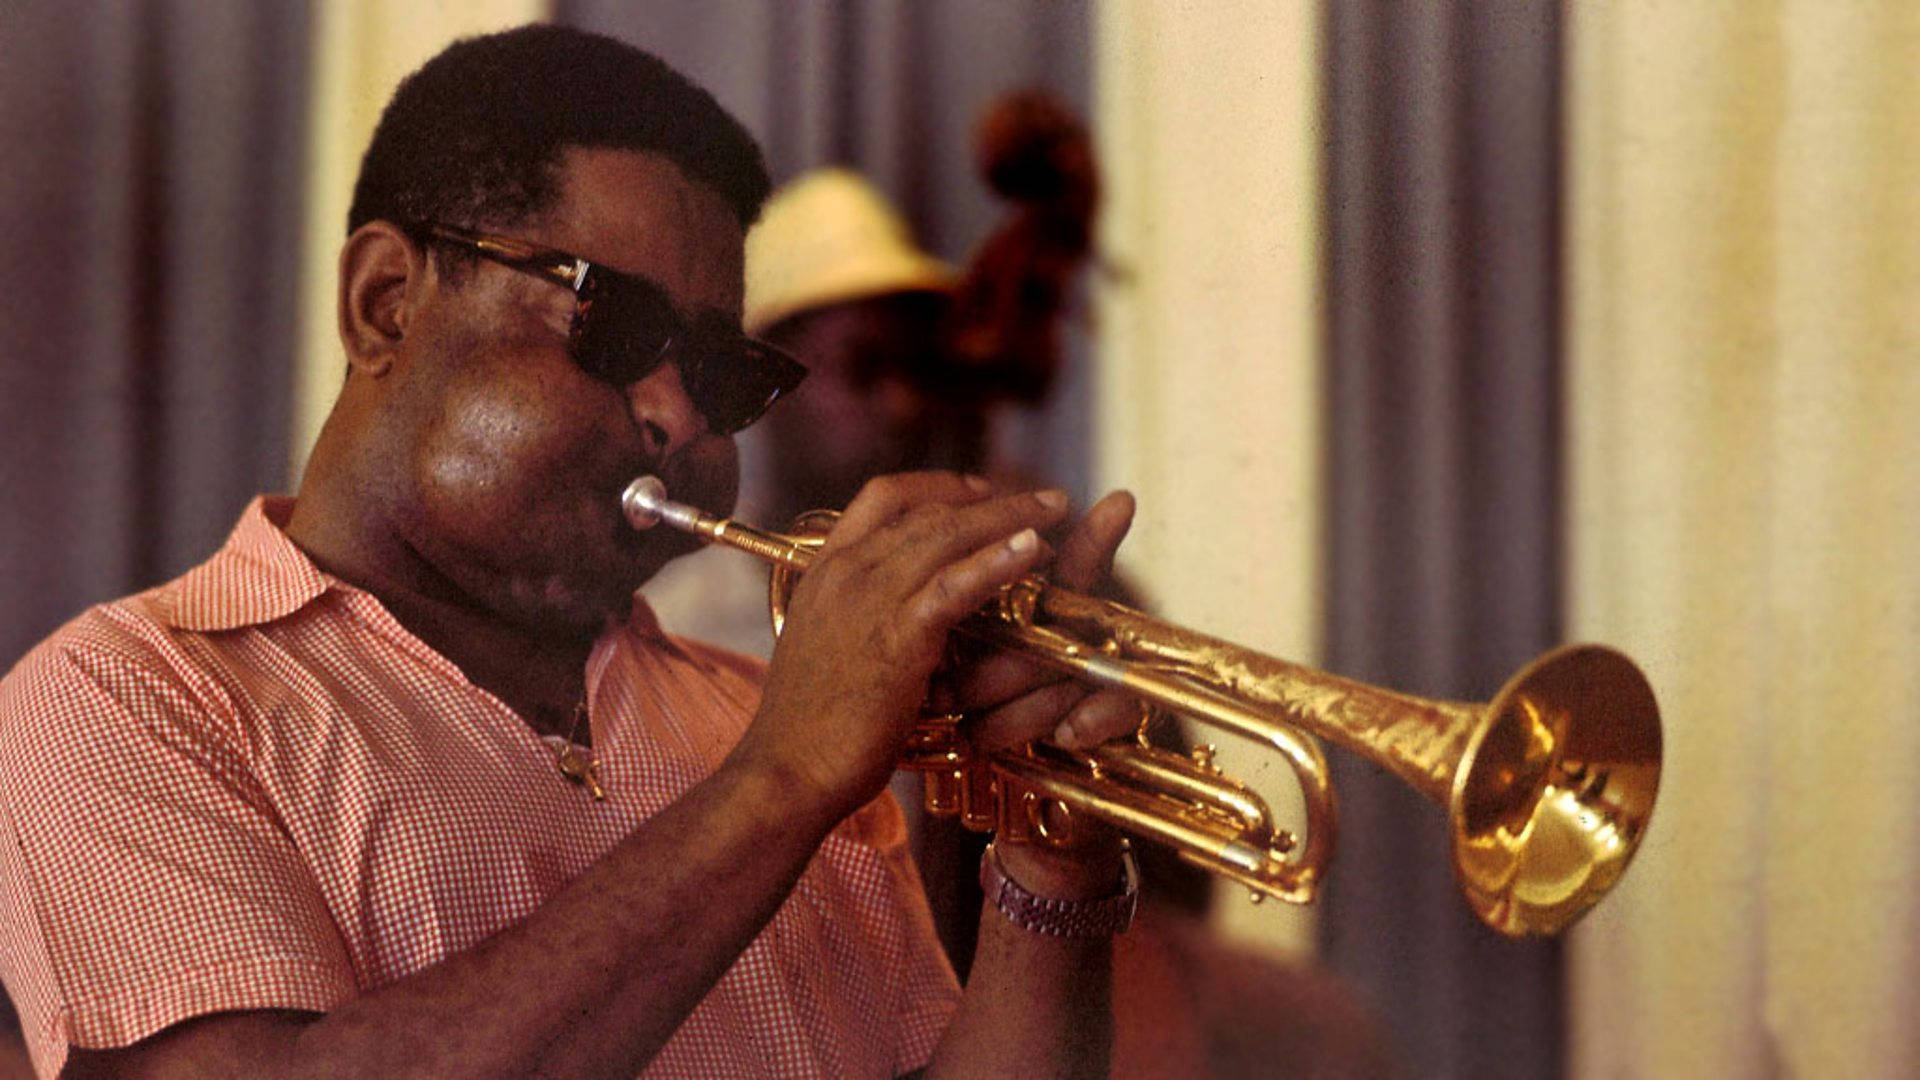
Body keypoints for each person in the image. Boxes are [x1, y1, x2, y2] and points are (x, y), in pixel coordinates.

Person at [0, 25, 1146, 1079]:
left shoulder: (762, 712)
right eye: (615, 326)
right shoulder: (126, 696)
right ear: (386, 303)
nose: (682, 418)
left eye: (719, 372)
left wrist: (1057, 868)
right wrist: (784, 777)